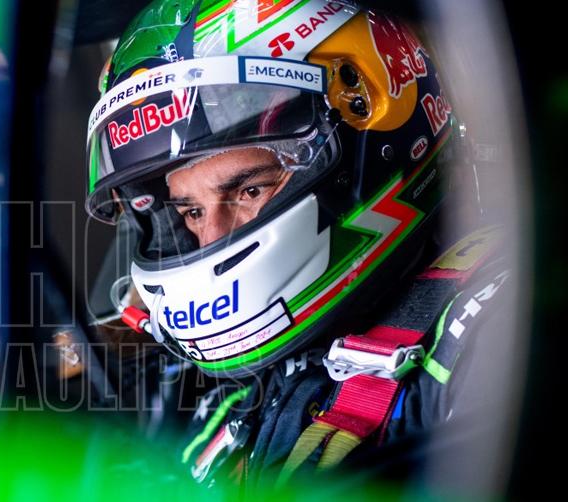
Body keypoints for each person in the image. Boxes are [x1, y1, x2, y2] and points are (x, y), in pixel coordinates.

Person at [84, 0, 512, 489]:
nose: (214, 238)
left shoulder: (495, 329)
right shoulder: (229, 401)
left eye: (249, 191)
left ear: (368, 123)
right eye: (192, 213)